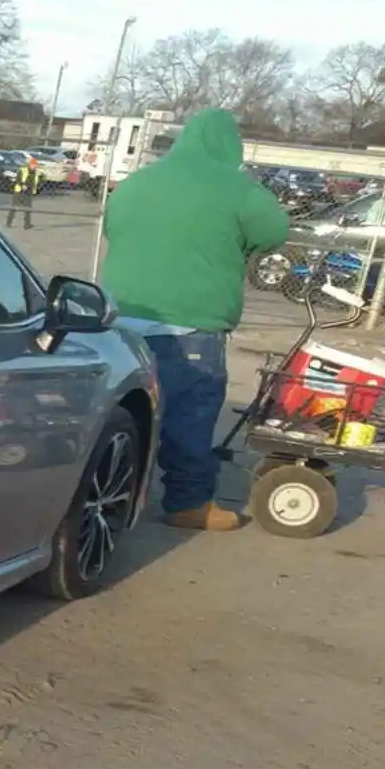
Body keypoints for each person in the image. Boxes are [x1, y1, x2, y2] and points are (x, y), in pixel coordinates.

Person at [100, 107, 291, 532]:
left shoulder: (138, 182)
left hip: (120, 321)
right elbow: (274, 231)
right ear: (230, 146)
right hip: (189, 323)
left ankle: (113, 490)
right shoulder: (235, 186)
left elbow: (114, 227)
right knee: (188, 417)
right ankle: (188, 502)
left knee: (125, 412)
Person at [6, 156, 41, 229]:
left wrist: (36, 189)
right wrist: (22, 185)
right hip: (19, 192)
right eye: (33, 165)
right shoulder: (22, 170)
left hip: (29, 193)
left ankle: (27, 225)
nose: (34, 166)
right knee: (14, 208)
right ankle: (8, 223)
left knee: (28, 209)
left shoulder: (37, 172)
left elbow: (37, 181)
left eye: (35, 165)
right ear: (29, 164)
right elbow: (18, 179)